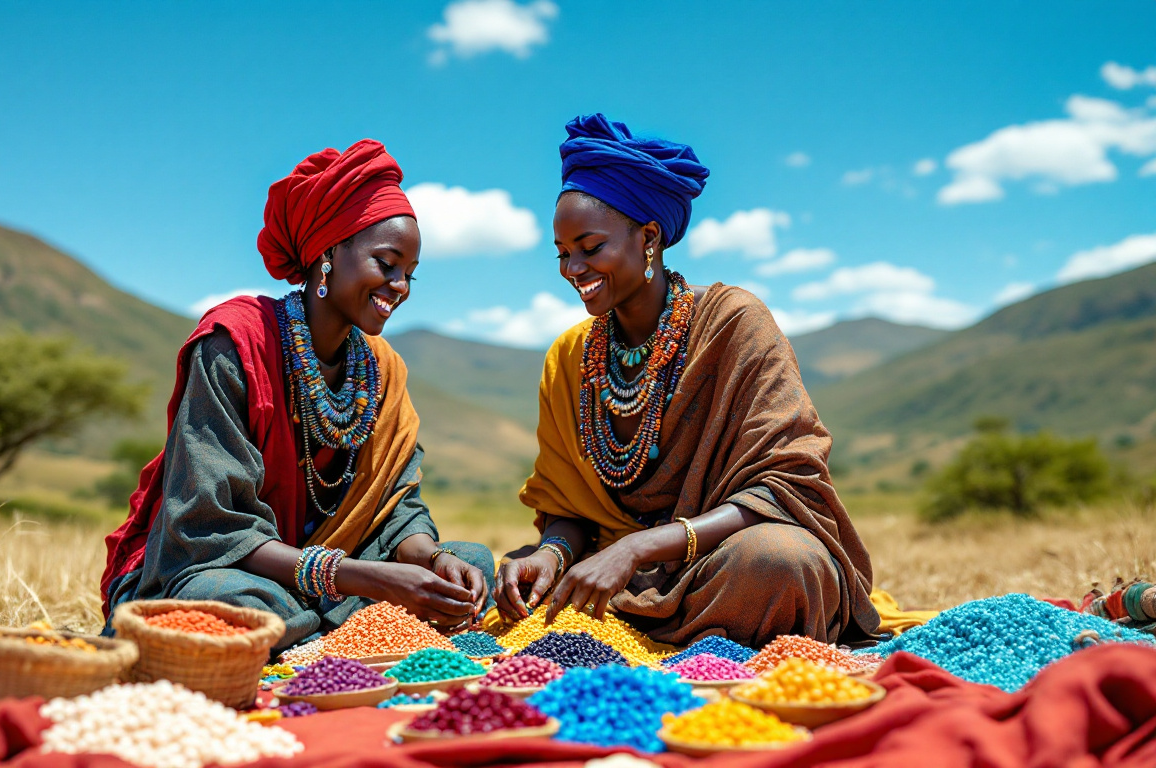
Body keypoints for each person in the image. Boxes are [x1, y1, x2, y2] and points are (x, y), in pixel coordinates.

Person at [493, 115, 880, 648]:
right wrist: (551, 553)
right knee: (507, 579)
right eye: (562, 253)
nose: (573, 268)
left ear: (648, 236)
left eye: (590, 246)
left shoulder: (733, 322)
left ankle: (655, 632)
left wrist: (640, 549)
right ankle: (644, 631)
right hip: (607, 569)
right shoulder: (570, 355)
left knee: (784, 562)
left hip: (716, 559)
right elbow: (568, 508)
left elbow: (783, 485)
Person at [102, 139, 494, 649]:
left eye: (409, 274)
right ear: (328, 253)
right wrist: (368, 581)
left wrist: (431, 559)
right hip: (238, 572)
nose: (400, 286)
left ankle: (312, 638)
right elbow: (208, 527)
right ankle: (343, 636)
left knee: (473, 562)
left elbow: (397, 506)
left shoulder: (382, 369)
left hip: (337, 576)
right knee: (224, 600)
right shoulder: (236, 344)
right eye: (387, 263)